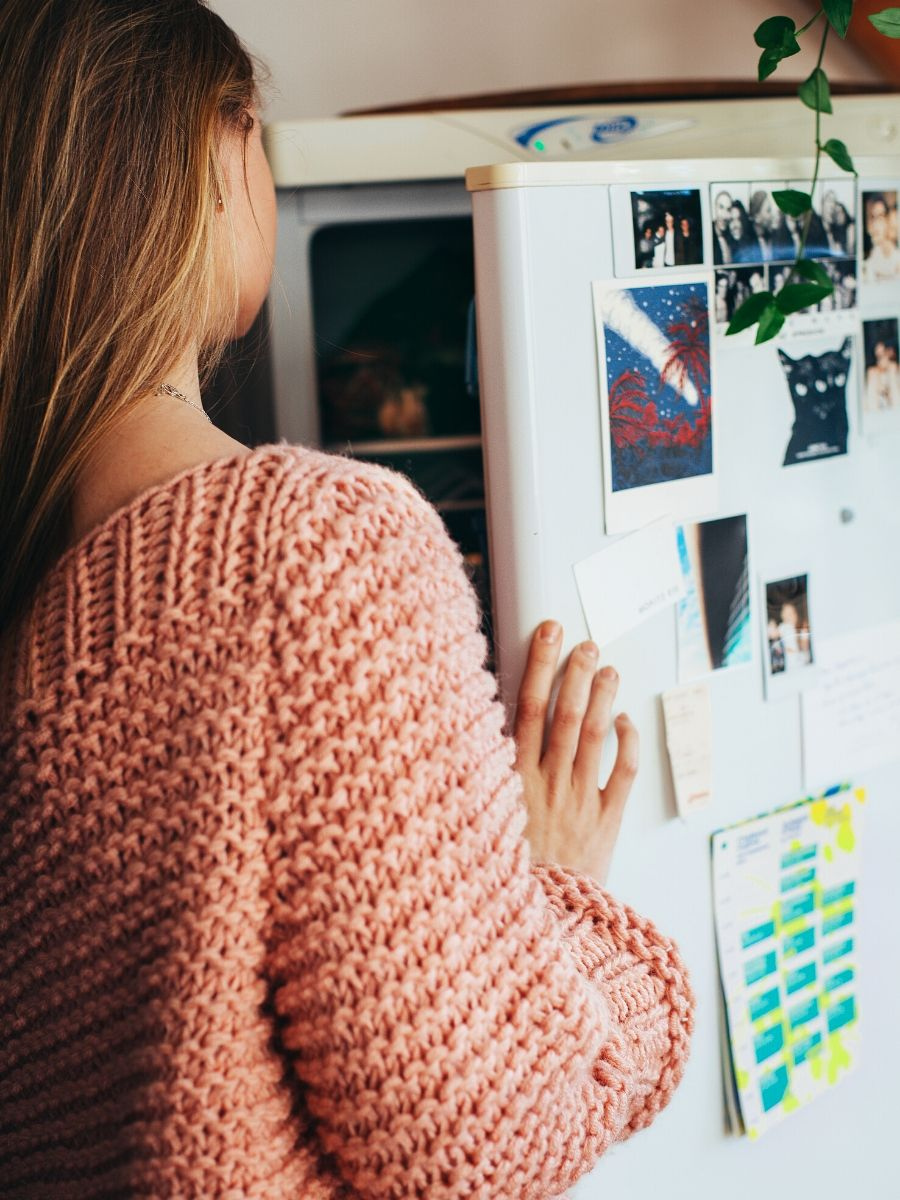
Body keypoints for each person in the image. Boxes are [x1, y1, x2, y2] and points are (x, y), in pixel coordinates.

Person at [0, 3, 694, 1197]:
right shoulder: (310, 550)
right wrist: (554, 897)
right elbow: (489, 1141)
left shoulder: (34, 602)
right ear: (210, 161)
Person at [712, 189, 734, 264]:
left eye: (728, 209)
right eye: (721, 207)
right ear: (714, 208)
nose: (724, 215)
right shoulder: (707, 235)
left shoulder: (732, 235)